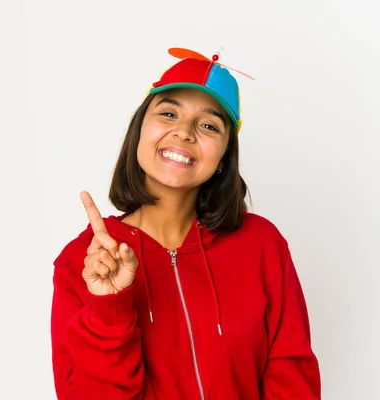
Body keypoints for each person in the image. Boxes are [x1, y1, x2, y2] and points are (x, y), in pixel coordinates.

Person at [50, 47, 321, 399]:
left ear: (224, 157)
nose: (185, 133)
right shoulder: (86, 262)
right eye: (168, 114)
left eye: (209, 125)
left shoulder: (262, 244)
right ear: (139, 131)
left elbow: (293, 378)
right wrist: (110, 305)